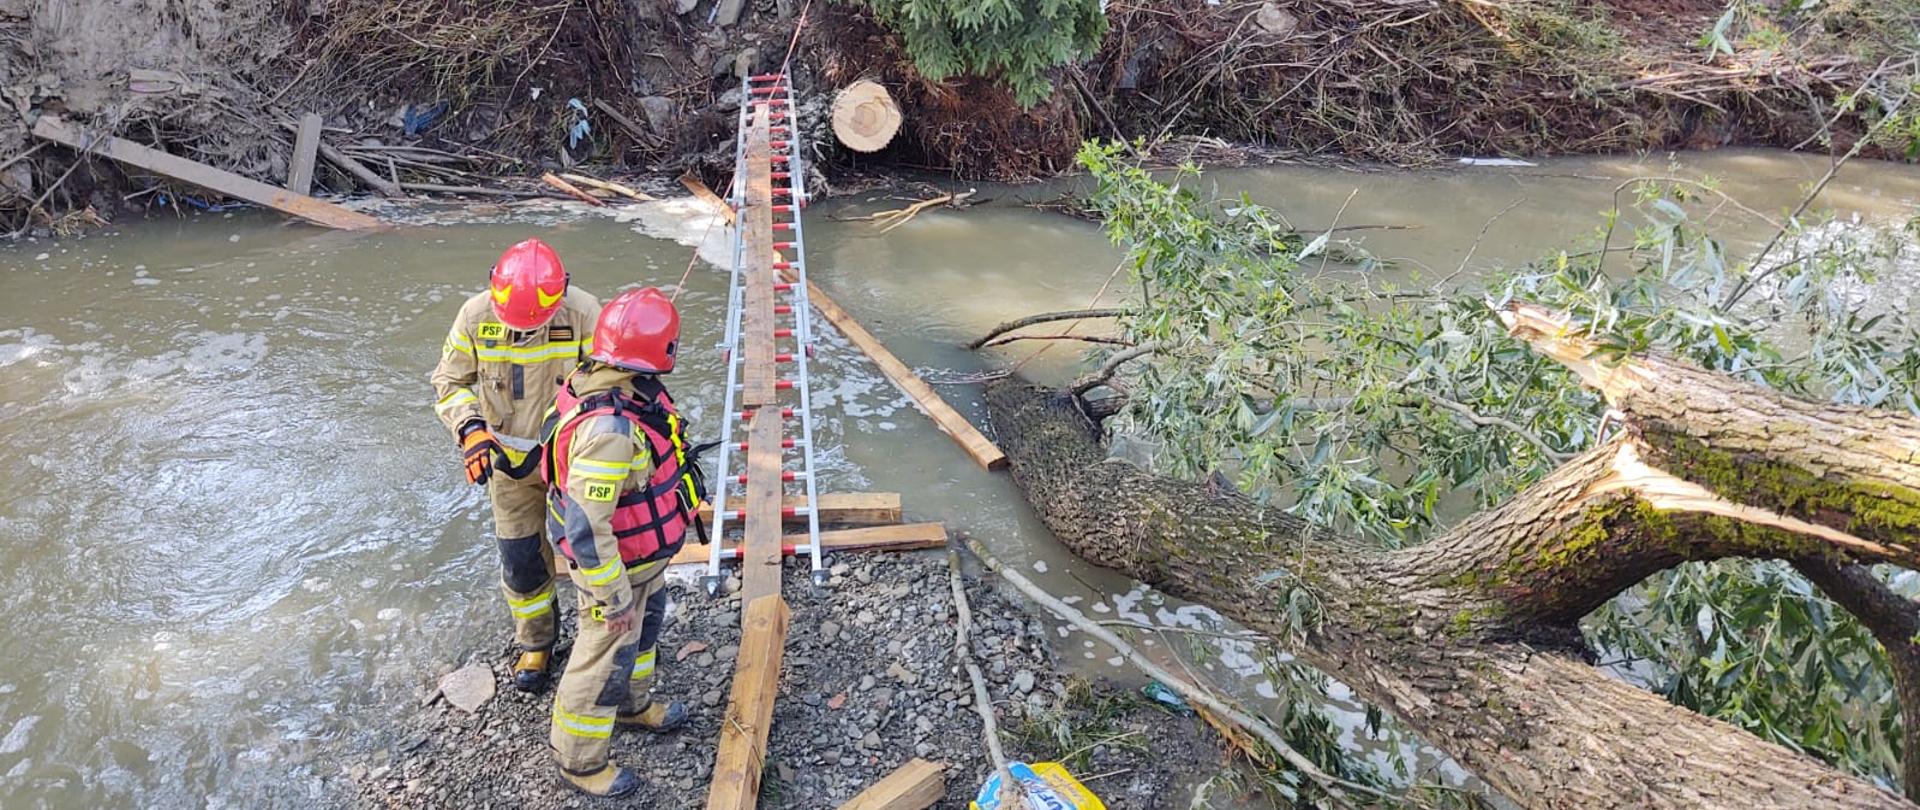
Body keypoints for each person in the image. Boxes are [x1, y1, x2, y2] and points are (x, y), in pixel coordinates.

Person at [540, 287, 695, 796]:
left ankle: (632, 706)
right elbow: (587, 526)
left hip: (642, 563)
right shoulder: (610, 430)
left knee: (642, 639)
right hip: (616, 574)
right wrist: (612, 598)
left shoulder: (620, 385)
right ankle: (579, 760)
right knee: (602, 653)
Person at [430, 238, 600, 692]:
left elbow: (611, 387)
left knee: (589, 548)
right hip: (507, 462)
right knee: (521, 557)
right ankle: (538, 641)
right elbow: (449, 382)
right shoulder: (475, 316)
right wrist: (470, 430)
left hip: (570, 460)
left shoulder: (585, 313)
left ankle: (600, 638)